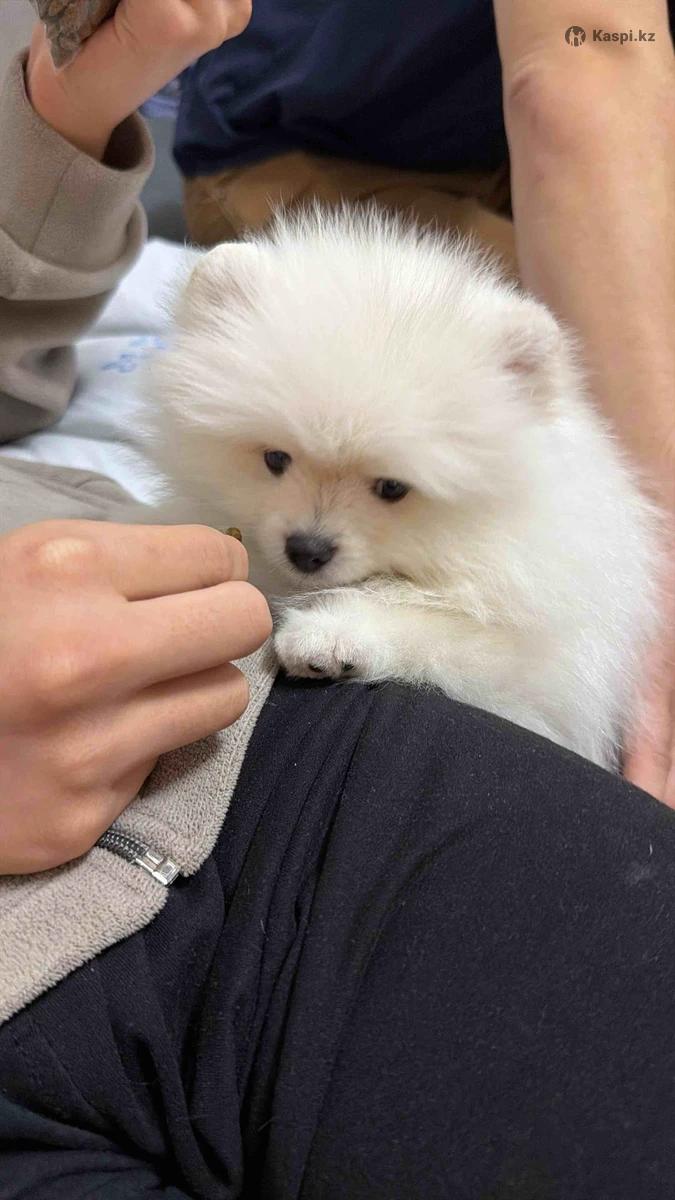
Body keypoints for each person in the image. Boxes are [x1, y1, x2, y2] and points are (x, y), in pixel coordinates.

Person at [1, 2, 675, 1195]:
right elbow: (574, 77)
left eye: (389, 490)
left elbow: (581, 73)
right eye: (275, 461)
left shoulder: (528, 522)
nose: (312, 530)